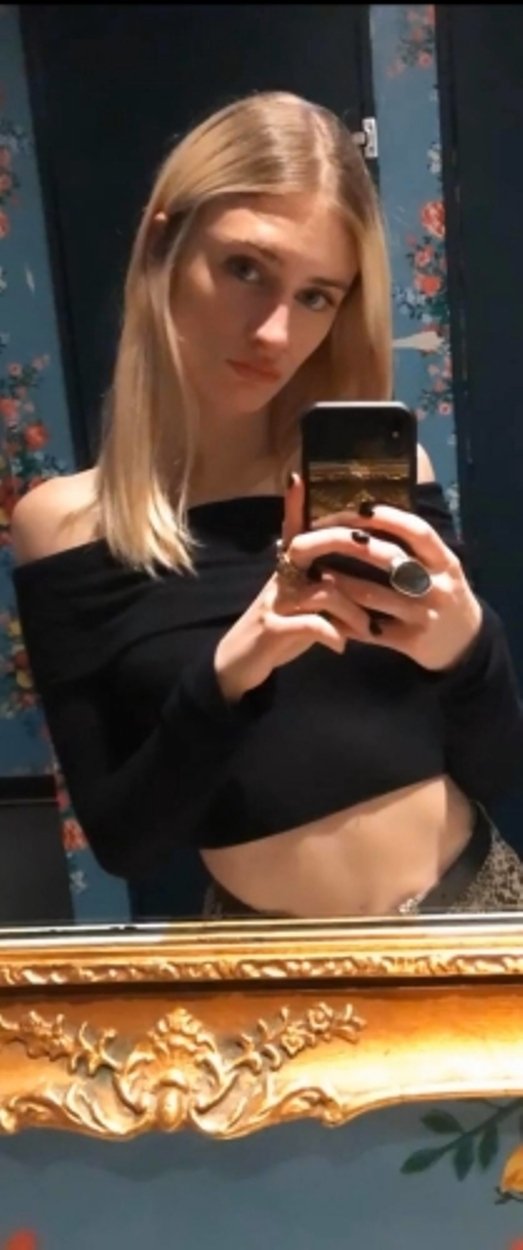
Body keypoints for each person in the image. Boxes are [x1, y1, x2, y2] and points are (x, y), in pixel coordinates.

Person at [11, 91, 523, 919]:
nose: (275, 334)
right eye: (245, 269)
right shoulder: (65, 526)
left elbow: (493, 768)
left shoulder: (375, 484)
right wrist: (230, 672)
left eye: (317, 295)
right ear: (162, 245)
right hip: (263, 966)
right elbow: (127, 841)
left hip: (471, 915)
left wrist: (468, 647)